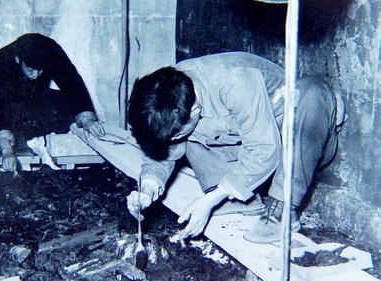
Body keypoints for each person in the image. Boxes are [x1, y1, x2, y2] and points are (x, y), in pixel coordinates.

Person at [126, 52, 344, 244]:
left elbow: (265, 149)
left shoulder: (234, 80)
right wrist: (148, 186)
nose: (171, 140)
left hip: (285, 142)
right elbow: (162, 146)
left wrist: (209, 201)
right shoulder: (167, 91)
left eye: (175, 135)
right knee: (185, 136)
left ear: (195, 110)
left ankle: (282, 206)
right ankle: (239, 196)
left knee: (311, 92)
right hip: (241, 146)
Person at [0, 33, 104, 172]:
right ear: (17, 59)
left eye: (40, 70)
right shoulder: (2, 64)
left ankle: (19, 136)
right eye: (30, 69)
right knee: (6, 110)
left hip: (27, 97)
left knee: (62, 104)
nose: (35, 75)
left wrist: (87, 120)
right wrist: (6, 148)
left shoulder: (52, 52)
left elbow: (73, 84)